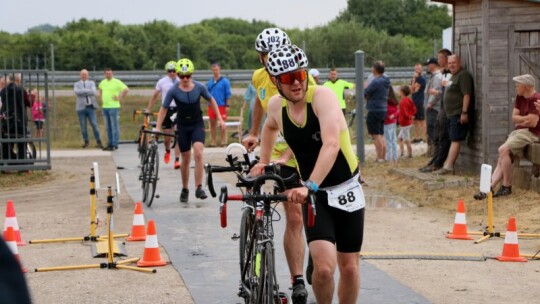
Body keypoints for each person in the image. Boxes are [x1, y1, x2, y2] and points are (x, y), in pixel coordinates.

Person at [251, 44, 364, 304]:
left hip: (345, 188)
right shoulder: (276, 106)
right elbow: (268, 129)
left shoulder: (322, 96)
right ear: (275, 81)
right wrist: (264, 162)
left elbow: (332, 144)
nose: (297, 84)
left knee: (348, 267)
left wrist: (309, 184)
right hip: (317, 196)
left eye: (300, 76)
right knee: (323, 270)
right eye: (288, 79)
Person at [242, 27, 313, 303]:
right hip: (276, 152)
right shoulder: (260, 77)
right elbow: (261, 106)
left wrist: (286, 156)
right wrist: (253, 132)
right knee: (288, 213)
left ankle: (310, 256)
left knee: (300, 216)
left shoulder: (299, 81)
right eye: (266, 55)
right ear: (261, 58)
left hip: (300, 153)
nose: (272, 59)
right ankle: (296, 278)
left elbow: (307, 126)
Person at [155, 58, 225, 203]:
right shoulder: (173, 90)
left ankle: (199, 187)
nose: (185, 79)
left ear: (192, 75)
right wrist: (157, 127)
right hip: (182, 125)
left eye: (188, 76)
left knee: (198, 153)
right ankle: (185, 188)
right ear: (178, 76)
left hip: (196, 123)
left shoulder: (199, 87)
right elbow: (164, 109)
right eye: (181, 76)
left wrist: (219, 117)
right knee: (185, 158)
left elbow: (211, 100)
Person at [474, 74, 540, 199]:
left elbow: (532, 123)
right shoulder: (520, 97)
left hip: (531, 133)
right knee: (503, 155)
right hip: (520, 131)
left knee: (502, 150)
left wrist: (522, 120)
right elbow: (514, 118)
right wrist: (524, 119)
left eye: (518, 84)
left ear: (526, 86)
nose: (515, 86)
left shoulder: (536, 99)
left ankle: (506, 186)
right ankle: (489, 188)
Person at [434, 54, 474, 175]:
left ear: (459, 63)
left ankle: (449, 166)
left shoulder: (463, 75)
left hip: (458, 113)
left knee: (456, 139)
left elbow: (467, 94)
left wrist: (464, 112)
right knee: (452, 138)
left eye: (454, 63)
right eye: (449, 63)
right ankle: (446, 164)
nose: (451, 65)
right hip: (450, 114)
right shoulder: (452, 76)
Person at [419, 49, 453, 173]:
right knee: (438, 136)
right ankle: (435, 160)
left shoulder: (447, 74)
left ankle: (438, 163)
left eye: (440, 58)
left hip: (441, 108)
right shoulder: (443, 74)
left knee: (441, 136)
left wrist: (431, 103)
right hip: (442, 108)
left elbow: (444, 91)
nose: (439, 60)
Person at [147, 61, 181, 169]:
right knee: (167, 137)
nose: (172, 73)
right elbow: (155, 96)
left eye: (174, 71)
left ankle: (177, 160)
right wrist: (149, 108)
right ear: (167, 72)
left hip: (178, 109)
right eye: (170, 71)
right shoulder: (162, 82)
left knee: (177, 134)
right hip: (166, 110)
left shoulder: (181, 81)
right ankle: (167, 150)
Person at [0, 74, 31, 162]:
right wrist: (31, 95)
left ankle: (6, 165)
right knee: (21, 144)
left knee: (6, 144)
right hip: (20, 120)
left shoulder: (3, 91)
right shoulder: (21, 90)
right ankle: (23, 166)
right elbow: (29, 103)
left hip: (6, 121)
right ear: (18, 80)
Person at [364, 61, 391, 162]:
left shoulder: (376, 82)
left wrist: (366, 87)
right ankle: (383, 157)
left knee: (375, 135)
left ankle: (379, 157)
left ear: (374, 69)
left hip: (374, 109)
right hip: (383, 109)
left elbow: (365, 92)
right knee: (381, 134)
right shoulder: (386, 80)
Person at [98, 68, 128, 151]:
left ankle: (115, 143)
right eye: (107, 74)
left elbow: (126, 89)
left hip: (114, 107)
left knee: (114, 125)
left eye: (110, 74)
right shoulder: (102, 82)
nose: (108, 75)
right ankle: (110, 143)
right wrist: (100, 98)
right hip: (105, 107)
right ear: (105, 74)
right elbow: (100, 89)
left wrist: (119, 97)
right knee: (108, 126)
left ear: (112, 74)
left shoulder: (116, 82)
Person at [74, 69, 103, 149]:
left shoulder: (91, 83)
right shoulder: (76, 84)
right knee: (83, 126)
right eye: (82, 74)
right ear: (80, 75)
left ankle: (99, 141)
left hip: (90, 107)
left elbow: (93, 92)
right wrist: (87, 91)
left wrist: (83, 91)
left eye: (85, 74)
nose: (84, 76)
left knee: (94, 124)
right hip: (81, 108)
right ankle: (86, 141)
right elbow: (77, 92)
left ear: (88, 75)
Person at [206, 62, 231, 147]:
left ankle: (223, 141)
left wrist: (227, 105)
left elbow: (228, 94)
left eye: (216, 70)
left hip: (221, 105)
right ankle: (213, 141)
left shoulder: (225, 81)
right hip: (211, 106)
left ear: (219, 70)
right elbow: (207, 93)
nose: (215, 72)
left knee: (222, 124)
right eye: (213, 70)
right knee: (212, 124)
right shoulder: (210, 82)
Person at [424, 58, 443, 156]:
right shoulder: (433, 76)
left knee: (433, 130)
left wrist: (430, 104)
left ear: (434, 65)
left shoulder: (437, 77)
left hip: (434, 108)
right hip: (431, 107)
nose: (427, 66)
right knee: (430, 129)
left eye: (429, 64)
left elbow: (436, 92)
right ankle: (432, 151)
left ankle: (435, 152)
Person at [398, 85, 416, 158]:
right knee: (400, 138)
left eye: (399, 91)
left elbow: (405, 113)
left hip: (404, 123)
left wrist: (409, 116)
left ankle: (410, 154)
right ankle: (402, 153)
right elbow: (414, 108)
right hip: (407, 123)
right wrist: (411, 115)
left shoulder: (403, 102)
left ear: (402, 92)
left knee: (406, 139)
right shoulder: (409, 100)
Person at [411, 63, 426, 143]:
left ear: (421, 70)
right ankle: (417, 137)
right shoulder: (414, 79)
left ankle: (424, 137)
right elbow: (411, 90)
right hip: (414, 102)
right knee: (415, 121)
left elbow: (414, 89)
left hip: (419, 102)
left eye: (419, 69)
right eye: (416, 68)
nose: (417, 70)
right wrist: (413, 80)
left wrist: (414, 79)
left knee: (422, 120)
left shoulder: (421, 79)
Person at [384, 88, 399, 162]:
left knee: (388, 141)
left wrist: (388, 116)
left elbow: (384, 111)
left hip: (387, 123)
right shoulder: (393, 101)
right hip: (393, 122)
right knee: (393, 140)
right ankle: (395, 157)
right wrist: (394, 115)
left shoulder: (385, 102)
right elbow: (397, 110)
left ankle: (389, 158)